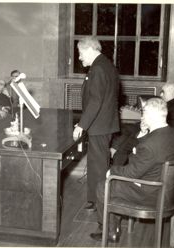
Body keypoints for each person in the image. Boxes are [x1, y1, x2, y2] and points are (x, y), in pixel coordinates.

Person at [89, 97, 174, 243]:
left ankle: (109, 231)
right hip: (168, 191)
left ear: (151, 115)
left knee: (103, 186)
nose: (142, 116)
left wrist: (112, 171)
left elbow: (132, 171)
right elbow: (148, 156)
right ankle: (114, 227)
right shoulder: (172, 134)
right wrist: (143, 134)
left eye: (144, 113)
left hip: (151, 193)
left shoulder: (150, 144)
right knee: (117, 186)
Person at [72, 36, 121, 212]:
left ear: (90, 49)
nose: (79, 57)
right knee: (95, 164)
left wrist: (81, 125)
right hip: (101, 125)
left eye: (80, 53)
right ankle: (94, 199)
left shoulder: (99, 68)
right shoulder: (103, 64)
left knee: (99, 167)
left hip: (100, 125)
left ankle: (103, 210)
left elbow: (95, 101)